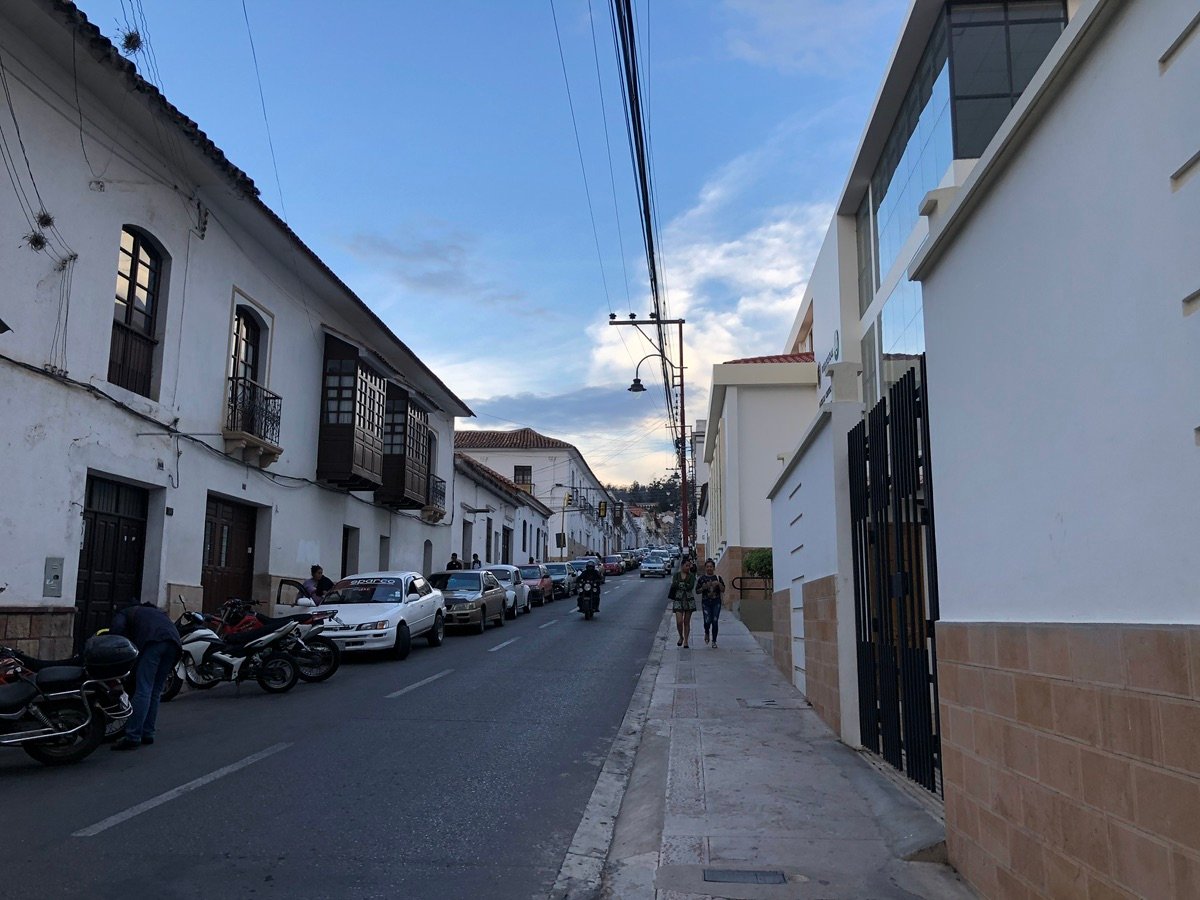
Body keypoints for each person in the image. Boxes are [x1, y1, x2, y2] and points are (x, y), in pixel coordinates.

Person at [108, 601, 181, 750]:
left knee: (144, 688)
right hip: (174, 644)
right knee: (155, 691)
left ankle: (133, 736)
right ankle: (148, 732)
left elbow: (116, 635)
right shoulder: (156, 613)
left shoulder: (125, 613)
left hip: (154, 642)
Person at [696, 559, 726, 648]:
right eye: (707, 567)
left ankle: (714, 641)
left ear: (714, 568)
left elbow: (723, 589)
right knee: (707, 621)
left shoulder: (718, 578)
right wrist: (704, 587)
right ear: (705, 568)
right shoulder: (702, 579)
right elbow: (697, 591)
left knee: (715, 621)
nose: (709, 568)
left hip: (716, 602)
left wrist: (718, 584)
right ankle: (706, 632)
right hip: (706, 603)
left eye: (711, 567)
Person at [668, 559, 697, 649]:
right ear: (682, 566)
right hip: (678, 600)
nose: (688, 568)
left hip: (689, 601)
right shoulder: (676, 575)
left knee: (686, 622)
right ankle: (681, 636)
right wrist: (683, 585)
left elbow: (690, 586)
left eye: (689, 566)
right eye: (686, 566)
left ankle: (686, 641)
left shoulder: (691, 576)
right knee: (679, 621)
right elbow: (674, 584)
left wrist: (681, 585)